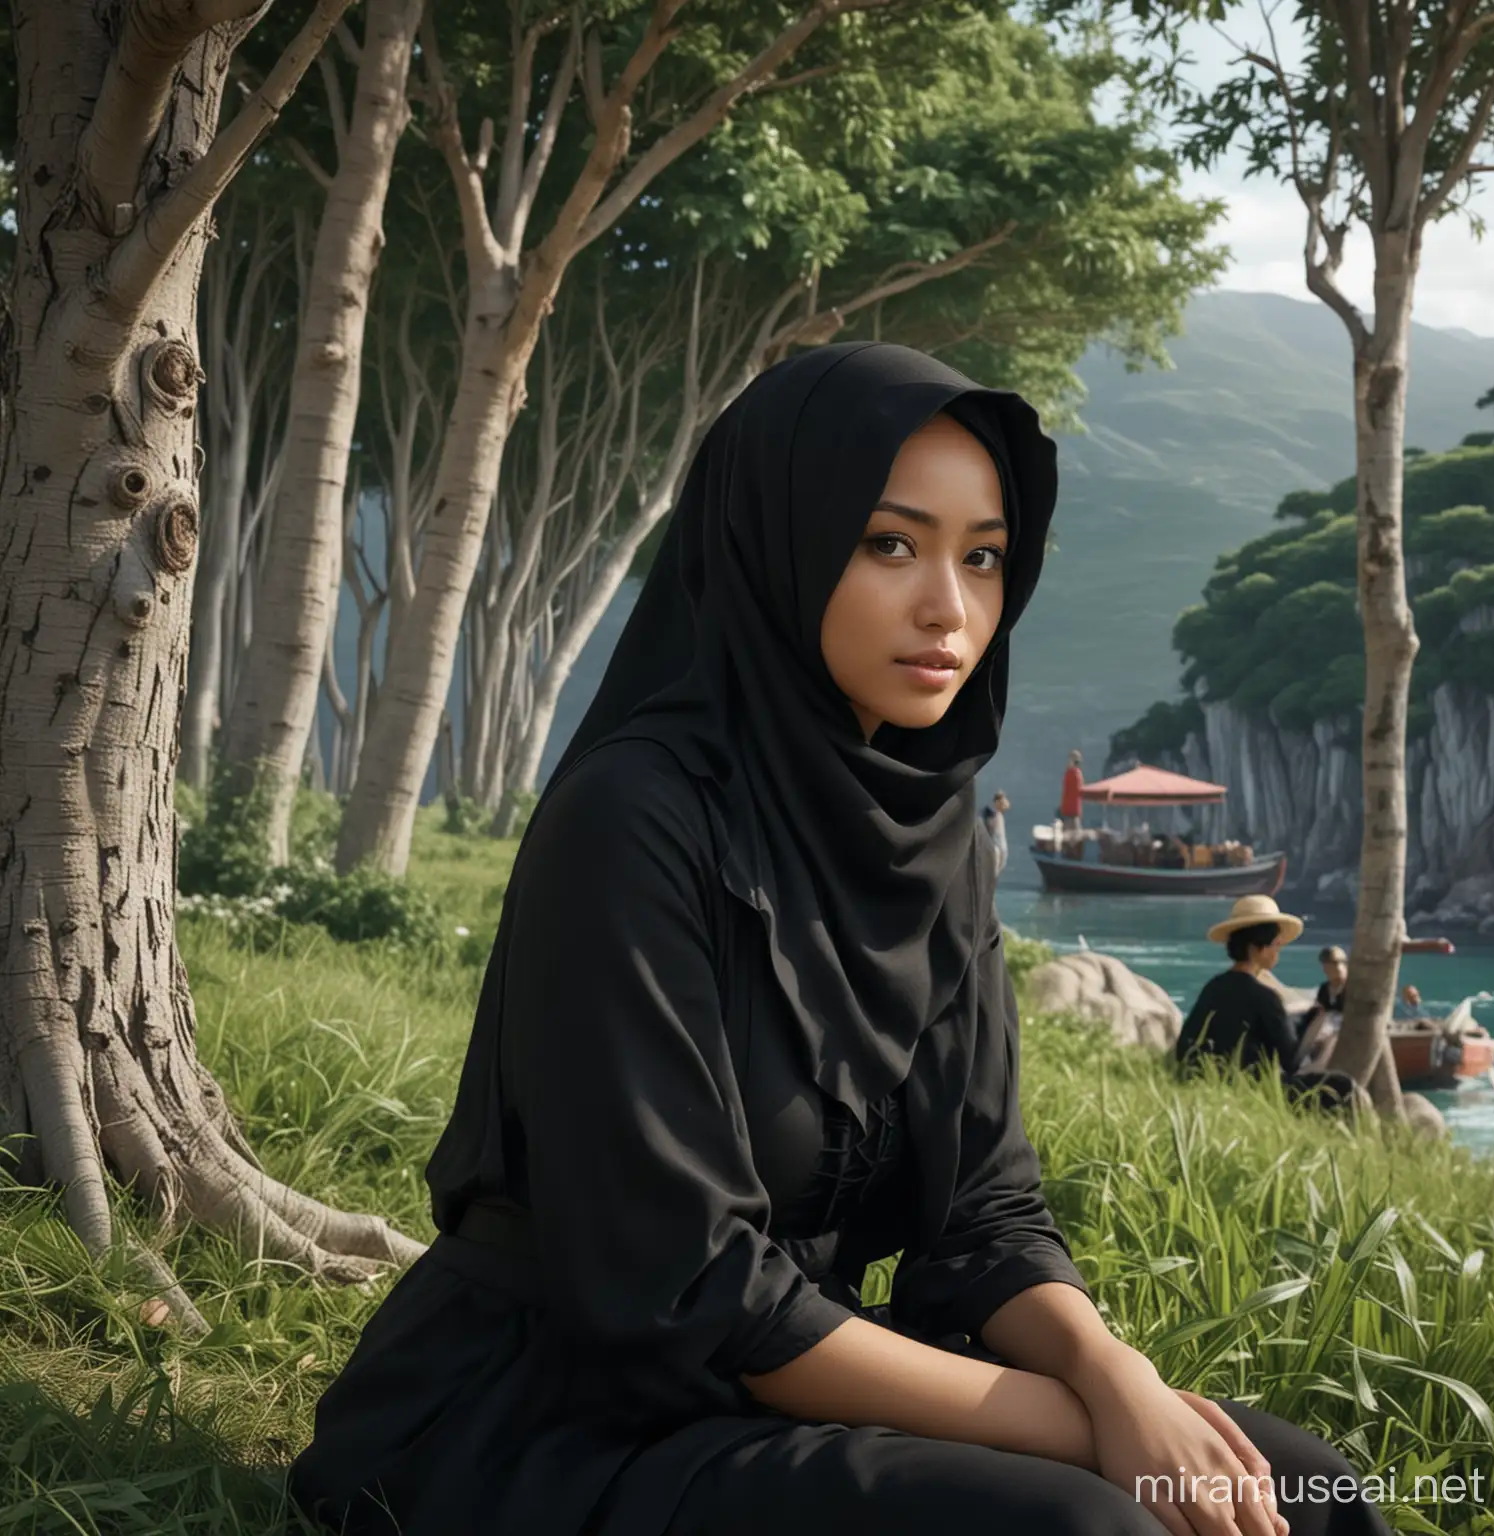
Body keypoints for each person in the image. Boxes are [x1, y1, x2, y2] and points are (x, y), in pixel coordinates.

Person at [288, 344, 1387, 1536]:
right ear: (781, 541)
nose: (949, 609)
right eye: (890, 544)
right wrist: (1086, 1431)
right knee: (1094, 1523)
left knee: (1314, 1488)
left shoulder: (942, 833)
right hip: (556, 1414)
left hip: (805, 1373)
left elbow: (984, 1215)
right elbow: (699, 1294)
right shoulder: (634, 820)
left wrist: (1116, 1377)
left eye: (984, 557)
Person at [1175, 897, 1360, 1111]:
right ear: (1257, 947)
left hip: (1215, 1085)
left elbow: (1184, 1048)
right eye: (1276, 944)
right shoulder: (1265, 997)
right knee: (1341, 1085)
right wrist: (1311, 1022)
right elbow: (1291, 1060)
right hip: (1256, 1090)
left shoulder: (1213, 988)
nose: (1278, 949)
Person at [1296, 945, 1348, 1068]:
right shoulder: (1324, 989)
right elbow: (1320, 1010)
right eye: (1331, 964)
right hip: (1324, 1026)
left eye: (1340, 962)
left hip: (1343, 1029)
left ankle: (1317, 1068)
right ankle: (1299, 1063)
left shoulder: (1351, 988)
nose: (1337, 967)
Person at [980, 788, 1011, 876]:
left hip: (1001, 844)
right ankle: (992, 879)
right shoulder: (992, 813)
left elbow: (1007, 806)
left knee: (1001, 862)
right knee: (996, 863)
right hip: (994, 844)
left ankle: (993, 877)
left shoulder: (998, 814)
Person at [1059, 748, 1084, 833]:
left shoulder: (1073, 774)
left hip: (1071, 812)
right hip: (1071, 811)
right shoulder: (1076, 773)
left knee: (1071, 836)